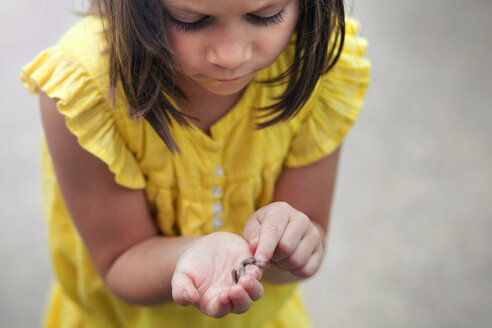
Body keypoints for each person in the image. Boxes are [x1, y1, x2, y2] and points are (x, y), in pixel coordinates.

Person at [21, 0, 370, 326]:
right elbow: (119, 262)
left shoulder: (316, 63)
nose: (230, 56)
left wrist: (287, 246)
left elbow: (311, 230)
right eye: (190, 19)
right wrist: (190, 253)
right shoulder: (86, 91)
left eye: (266, 15)